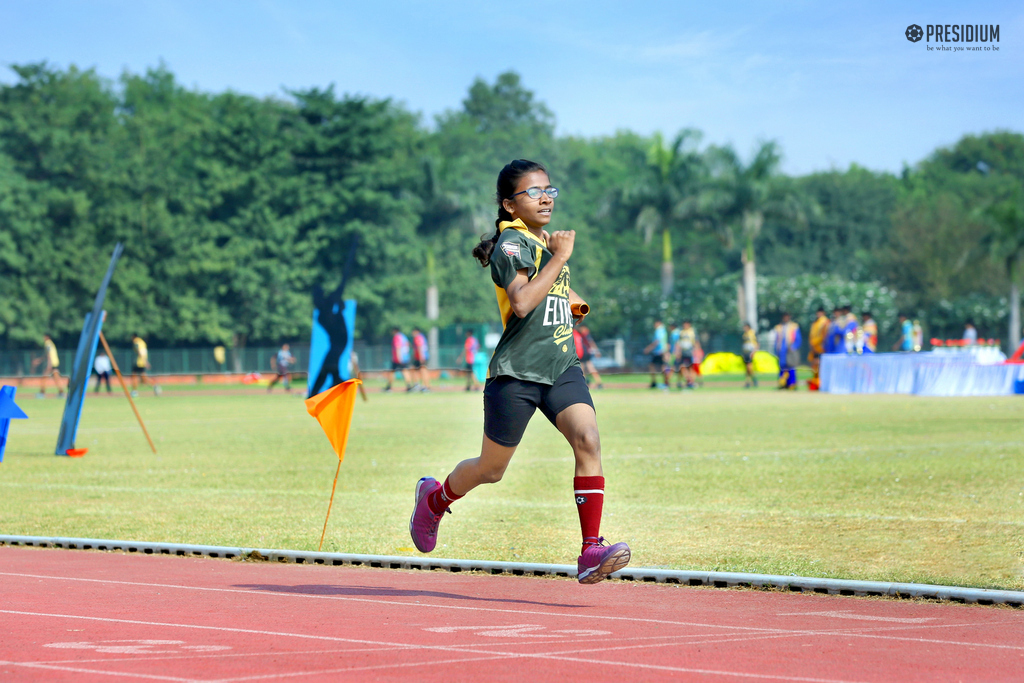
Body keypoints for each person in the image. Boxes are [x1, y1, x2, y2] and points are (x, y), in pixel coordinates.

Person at [409, 159, 630, 585]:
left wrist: (574, 302)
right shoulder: (512, 244)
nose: (545, 197)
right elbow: (524, 302)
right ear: (510, 205)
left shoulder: (541, 242)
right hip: (518, 372)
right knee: (491, 470)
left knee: (588, 439)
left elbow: (563, 294)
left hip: (561, 364)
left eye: (549, 189)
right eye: (533, 192)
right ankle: (434, 500)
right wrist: (561, 256)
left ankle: (590, 550)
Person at [773, 312, 802, 390]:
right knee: (782, 368)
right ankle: (783, 384)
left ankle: (792, 384)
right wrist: (776, 350)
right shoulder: (779, 327)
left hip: (790, 350)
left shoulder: (794, 326)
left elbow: (798, 340)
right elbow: (776, 340)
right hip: (781, 350)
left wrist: (793, 347)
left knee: (791, 367)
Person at [575, 324, 603, 389]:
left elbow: (591, 342)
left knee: (585, 368)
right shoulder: (581, 334)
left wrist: (596, 351)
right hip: (584, 353)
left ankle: (596, 382)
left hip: (583, 353)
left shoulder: (582, 334)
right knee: (586, 368)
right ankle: (592, 382)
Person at [385, 327, 413, 392]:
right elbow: (409, 345)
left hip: (398, 358)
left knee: (392, 372)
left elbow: (398, 347)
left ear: (394, 331)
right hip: (405, 357)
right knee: (405, 371)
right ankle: (409, 386)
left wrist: (398, 357)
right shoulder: (404, 337)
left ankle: (389, 387)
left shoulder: (397, 337)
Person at [643, 320, 669, 389]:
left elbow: (657, 341)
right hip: (661, 351)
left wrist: (648, 348)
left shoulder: (659, 330)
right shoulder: (664, 330)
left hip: (659, 352)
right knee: (658, 366)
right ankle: (663, 382)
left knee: (660, 367)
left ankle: (662, 382)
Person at [675, 320, 699, 389]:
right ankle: (688, 380)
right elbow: (678, 343)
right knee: (682, 367)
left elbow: (696, 342)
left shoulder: (692, 332)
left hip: (690, 353)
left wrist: (697, 352)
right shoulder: (681, 332)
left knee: (691, 368)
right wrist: (677, 352)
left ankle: (691, 382)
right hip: (683, 353)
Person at [808, 308, 829, 376]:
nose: (818, 314)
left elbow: (824, 335)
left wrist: (814, 342)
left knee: (820, 364)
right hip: (815, 347)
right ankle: (815, 380)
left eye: (820, 313)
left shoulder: (825, 322)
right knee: (815, 364)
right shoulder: (815, 322)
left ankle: (820, 380)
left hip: (821, 347)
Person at [411, 327, 431, 392]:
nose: (412, 333)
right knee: (415, 370)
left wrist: (421, 357)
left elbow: (420, 347)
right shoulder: (422, 337)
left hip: (421, 357)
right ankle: (422, 385)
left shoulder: (418, 337)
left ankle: (425, 386)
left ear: (417, 331)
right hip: (422, 357)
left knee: (423, 371)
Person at [741, 322, 759, 388]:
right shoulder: (744, 334)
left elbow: (757, 343)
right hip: (745, 352)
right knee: (747, 369)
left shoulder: (753, 333)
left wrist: (754, 352)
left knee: (749, 367)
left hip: (751, 352)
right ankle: (748, 382)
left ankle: (753, 380)